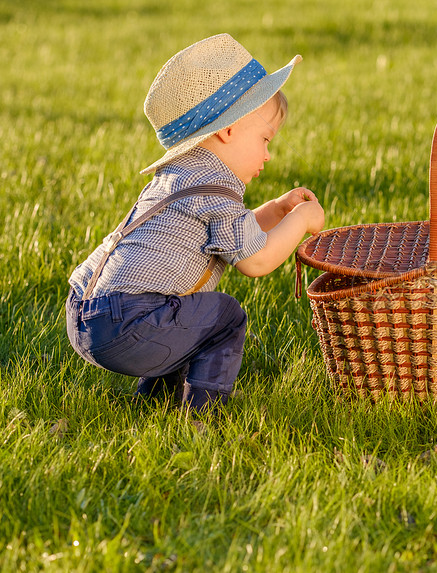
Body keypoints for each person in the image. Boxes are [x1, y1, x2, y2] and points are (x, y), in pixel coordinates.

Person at [65, 33, 325, 412]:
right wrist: (300, 220)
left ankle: (156, 401)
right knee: (224, 316)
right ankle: (204, 412)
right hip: (128, 323)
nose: (268, 155)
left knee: (183, 310)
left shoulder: (182, 177)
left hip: (85, 311)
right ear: (228, 130)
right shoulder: (216, 193)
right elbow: (257, 261)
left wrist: (275, 211)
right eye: (266, 139)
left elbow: (229, 236)